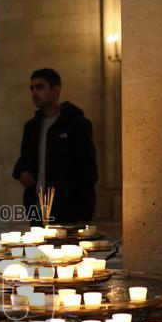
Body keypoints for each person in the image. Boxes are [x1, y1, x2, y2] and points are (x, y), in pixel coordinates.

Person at [12, 68, 98, 224]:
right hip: (37, 210)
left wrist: (85, 213)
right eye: (32, 88)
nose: (34, 92)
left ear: (56, 90)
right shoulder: (31, 127)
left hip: (67, 210)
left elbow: (87, 170)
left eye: (39, 87)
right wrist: (22, 172)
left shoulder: (76, 123)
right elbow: (24, 158)